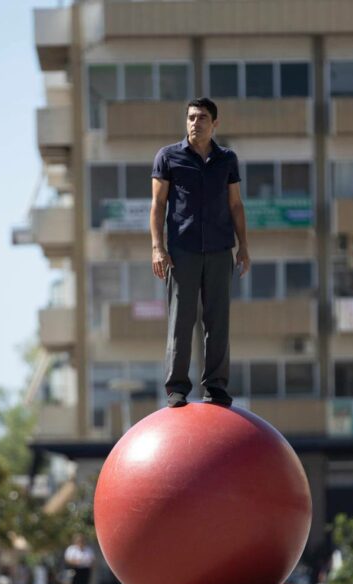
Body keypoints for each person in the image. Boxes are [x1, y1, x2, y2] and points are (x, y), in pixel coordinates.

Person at [150, 97, 250, 408]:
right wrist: (158, 247)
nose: (196, 123)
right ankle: (177, 388)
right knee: (181, 321)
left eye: (202, 117)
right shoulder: (168, 157)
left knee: (217, 321)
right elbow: (158, 205)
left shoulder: (227, 159)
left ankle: (216, 388)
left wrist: (243, 246)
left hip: (220, 249)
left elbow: (235, 204)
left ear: (214, 123)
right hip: (183, 250)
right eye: (191, 117)